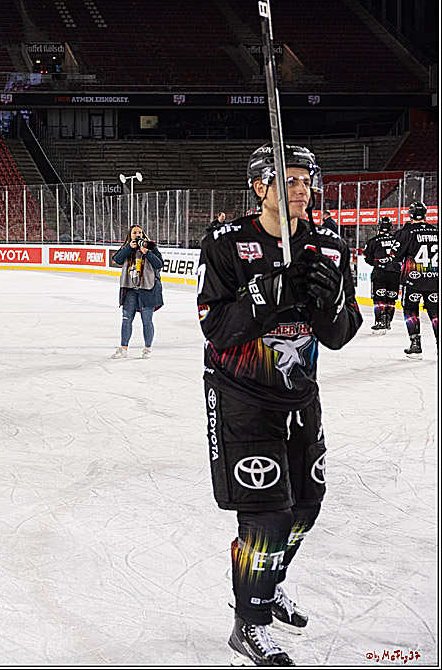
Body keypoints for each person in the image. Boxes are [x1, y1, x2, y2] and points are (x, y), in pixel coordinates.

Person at [198, 144, 361, 665]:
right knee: (266, 517)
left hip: (300, 398)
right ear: (259, 187)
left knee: (306, 508)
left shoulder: (329, 245)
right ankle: (249, 623)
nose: (301, 189)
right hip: (241, 399)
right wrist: (270, 291)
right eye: (287, 179)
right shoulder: (227, 244)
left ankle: (265, 582)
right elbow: (217, 329)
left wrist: (333, 298)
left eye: (306, 179)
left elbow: (339, 335)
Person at [393, 201, 438, 359]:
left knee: (411, 311)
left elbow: (395, 254)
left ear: (410, 215)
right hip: (434, 281)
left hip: (413, 280)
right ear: (425, 214)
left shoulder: (407, 232)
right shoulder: (436, 231)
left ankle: (415, 345)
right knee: (436, 314)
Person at [111, 225, 163, 359]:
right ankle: (123, 348)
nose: (138, 234)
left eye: (140, 232)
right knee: (126, 319)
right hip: (130, 290)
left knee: (147, 320)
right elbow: (116, 260)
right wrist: (129, 247)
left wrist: (147, 253)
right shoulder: (127, 247)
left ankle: (147, 348)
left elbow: (159, 264)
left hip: (147, 289)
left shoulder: (151, 247)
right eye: (135, 232)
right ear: (130, 235)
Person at [362, 217, 401, 334]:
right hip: (395, 272)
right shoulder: (397, 240)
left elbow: (368, 259)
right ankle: (388, 320)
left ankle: (380, 321)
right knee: (391, 298)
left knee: (379, 298)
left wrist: (378, 262)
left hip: (380, 272)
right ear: (391, 227)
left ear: (379, 227)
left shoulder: (373, 241)